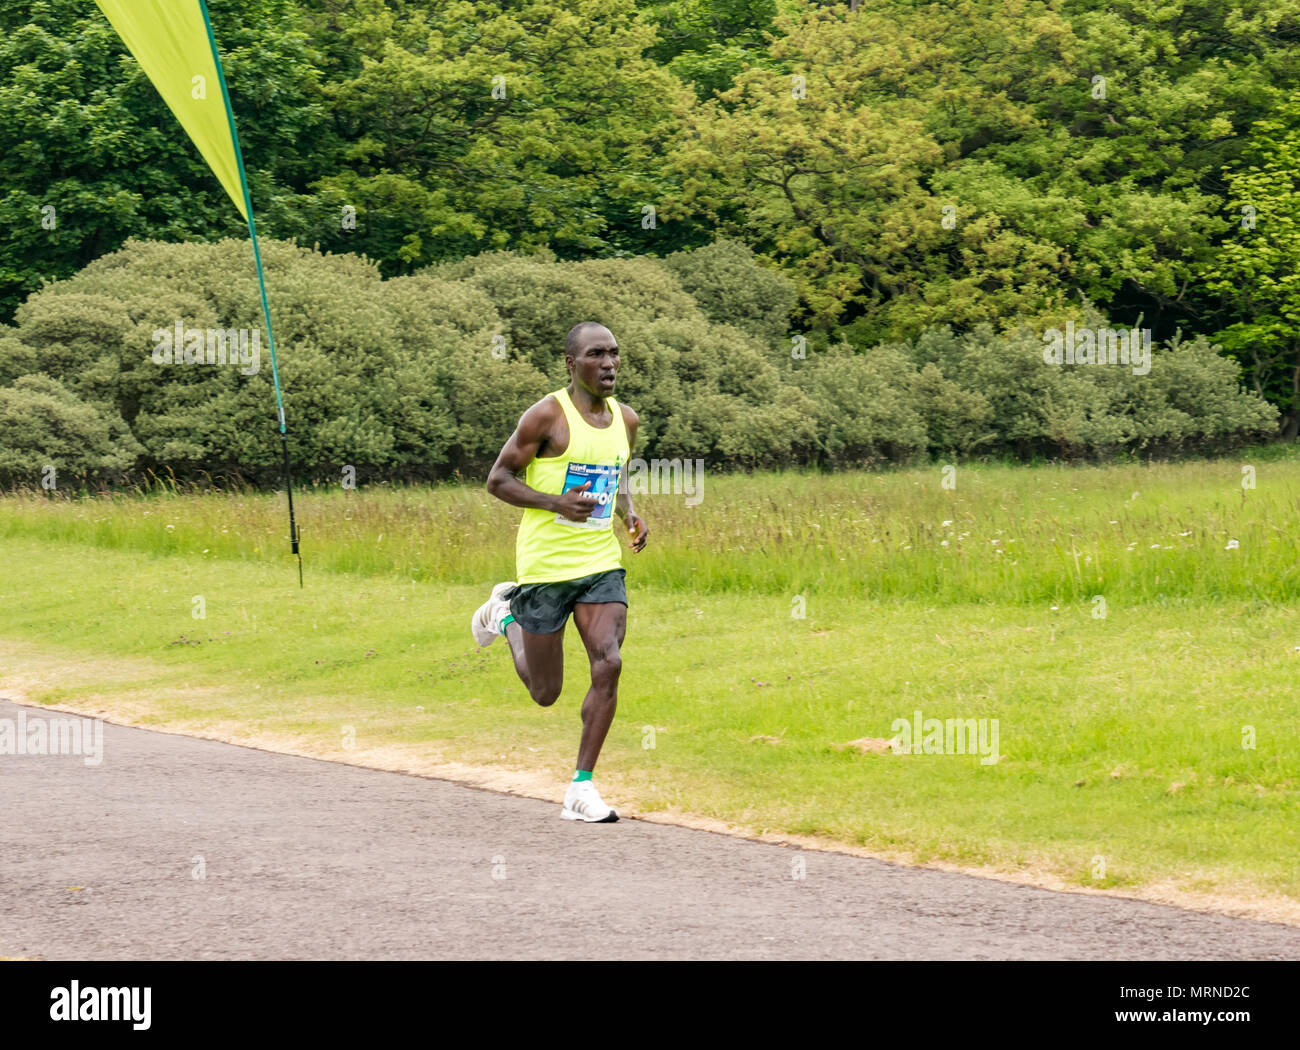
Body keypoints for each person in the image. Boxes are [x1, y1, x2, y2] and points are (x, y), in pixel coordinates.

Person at [472, 321, 649, 822]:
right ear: (572, 364)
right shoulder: (546, 416)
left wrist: (628, 514)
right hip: (546, 566)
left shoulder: (626, 420)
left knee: (608, 661)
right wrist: (555, 503)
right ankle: (505, 616)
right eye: (597, 355)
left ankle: (581, 787)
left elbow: (616, 475)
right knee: (545, 692)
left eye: (614, 353)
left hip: (599, 564)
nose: (610, 363)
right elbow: (497, 480)